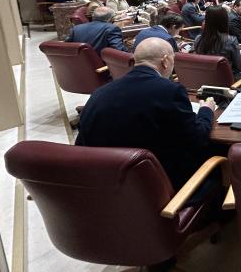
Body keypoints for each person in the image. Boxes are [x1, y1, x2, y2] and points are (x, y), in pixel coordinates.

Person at [76, 37, 216, 191]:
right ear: (165, 61)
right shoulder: (170, 91)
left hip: (104, 186)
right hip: (160, 187)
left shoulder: (99, 93)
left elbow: (81, 144)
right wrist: (206, 110)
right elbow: (198, 139)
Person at [194, 7, 241, 92]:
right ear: (224, 20)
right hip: (230, 84)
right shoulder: (230, 40)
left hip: (206, 82)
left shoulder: (198, 39)